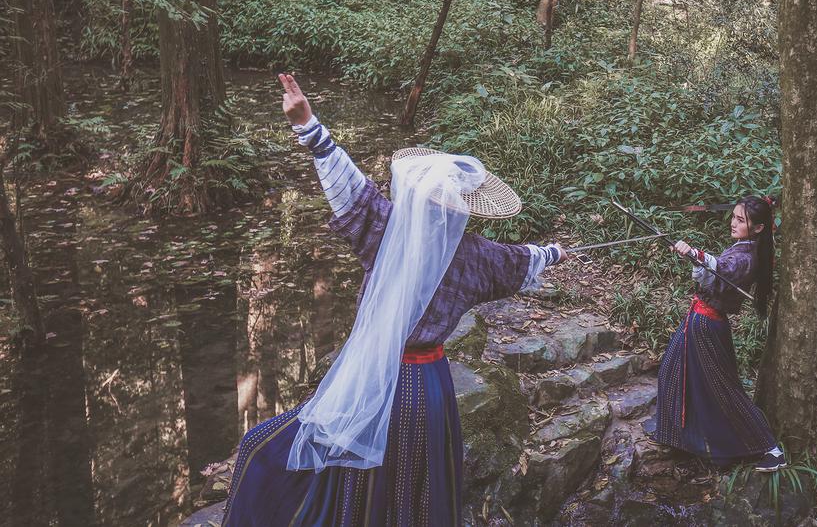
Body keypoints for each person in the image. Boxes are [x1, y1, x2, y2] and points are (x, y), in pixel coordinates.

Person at [222, 73, 565, 526]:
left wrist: (308, 125)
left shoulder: (386, 232)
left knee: (271, 450)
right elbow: (526, 259)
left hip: (374, 378)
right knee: (411, 489)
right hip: (428, 389)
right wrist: (555, 252)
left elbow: (348, 186)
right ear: (466, 206)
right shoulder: (480, 258)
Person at [651, 196, 786, 472]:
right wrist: (694, 257)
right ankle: (677, 436)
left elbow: (722, 270)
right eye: (733, 216)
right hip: (698, 318)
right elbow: (713, 273)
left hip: (707, 324)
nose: (733, 223)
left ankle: (771, 449)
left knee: (724, 388)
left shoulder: (746, 257)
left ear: (759, 228)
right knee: (671, 370)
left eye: (741, 220)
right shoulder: (743, 248)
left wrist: (695, 254)